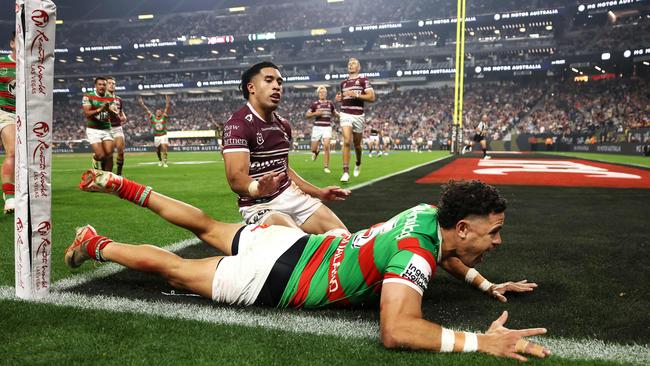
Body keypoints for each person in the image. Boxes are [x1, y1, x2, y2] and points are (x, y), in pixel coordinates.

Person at [68, 172, 550, 361]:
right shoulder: (415, 252)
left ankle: (127, 188)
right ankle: (95, 243)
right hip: (277, 277)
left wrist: (487, 283)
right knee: (176, 270)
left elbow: (448, 254)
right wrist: (480, 341)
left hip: (291, 241)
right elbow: (398, 329)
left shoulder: (427, 215)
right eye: (494, 231)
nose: (499, 239)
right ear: (463, 227)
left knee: (207, 226)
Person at [221, 61, 349, 234]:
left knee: (344, 238)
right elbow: (235, 177)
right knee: (300, 246)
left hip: (292, 196)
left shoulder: (283, 125)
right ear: (251, 88)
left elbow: (285, 170)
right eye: (268, 80)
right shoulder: (238, 124)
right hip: (260, 206)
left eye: (279, 82)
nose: (276, 87)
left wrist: (319, 192)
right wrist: (257, 188)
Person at [335, 58, 376, 182]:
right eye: (349, 64)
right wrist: (340, 99)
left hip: (358, 115)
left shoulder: (363, 80)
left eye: (353, 64)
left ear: (358, 67)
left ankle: (358, 162)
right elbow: (344, 98)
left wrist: (357, 95)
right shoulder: (343, 83)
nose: (351, 65)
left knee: (357, 145)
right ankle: (346, 171)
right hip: (345, 113)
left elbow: (372, 97)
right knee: (347, 141)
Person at [82, 77, 118, 171]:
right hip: (93, 129)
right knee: (101, 156)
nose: (102, 86)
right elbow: (87, 113)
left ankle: (108, 179)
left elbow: (115, 115)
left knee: (109, 154)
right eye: (100, 84)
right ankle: (95, 158)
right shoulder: (88, 96)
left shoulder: (110, 97)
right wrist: (100, 109)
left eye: (104, 85)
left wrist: (108, 109)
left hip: (106, 129)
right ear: (95, 86)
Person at [0, 32, 16, 214]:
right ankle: (9, 197)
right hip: (6, 113)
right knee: (12, 152)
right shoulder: (2, 63)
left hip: (27, 116)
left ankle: (17, 191)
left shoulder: (32, 66)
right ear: (12, 43)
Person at [306, 85, 338, 173]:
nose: (322, 94)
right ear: (318, 94)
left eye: (323, 92)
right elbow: (307, 115)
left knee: (327, 146)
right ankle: (315, 152)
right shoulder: (315, 104)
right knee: (313, 148)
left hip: (327, 127)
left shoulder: (330, 103)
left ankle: (326, 166)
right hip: (317, 128)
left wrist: (341, 116)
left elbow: (334, 113)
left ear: (326, 94)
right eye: (320, 92)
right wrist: (315, 113)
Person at [138, 95, 170, 167]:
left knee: (164, 148)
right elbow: (146, 110)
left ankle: (165, 162)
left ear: (161, 113)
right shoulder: (152, 117)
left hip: (163, 135)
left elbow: (167, 107)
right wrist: (142, 104)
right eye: (157, 111)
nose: (158, 112)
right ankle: (160, 160)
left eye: (159, 112)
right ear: (155, 113)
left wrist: (167, 101)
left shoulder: (163, 117)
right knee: (158, 150)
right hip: (157, 136)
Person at [106, 77, 127, 175]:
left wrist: (124, 117)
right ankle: (106, 173)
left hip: (117, 127)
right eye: (109, 83)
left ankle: (119, 174)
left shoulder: (119, 99)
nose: (112, 85)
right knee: (108, 154)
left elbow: (121, 112)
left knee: (120, 150)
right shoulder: (101, 99)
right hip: (106, 128)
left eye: (113, 83)